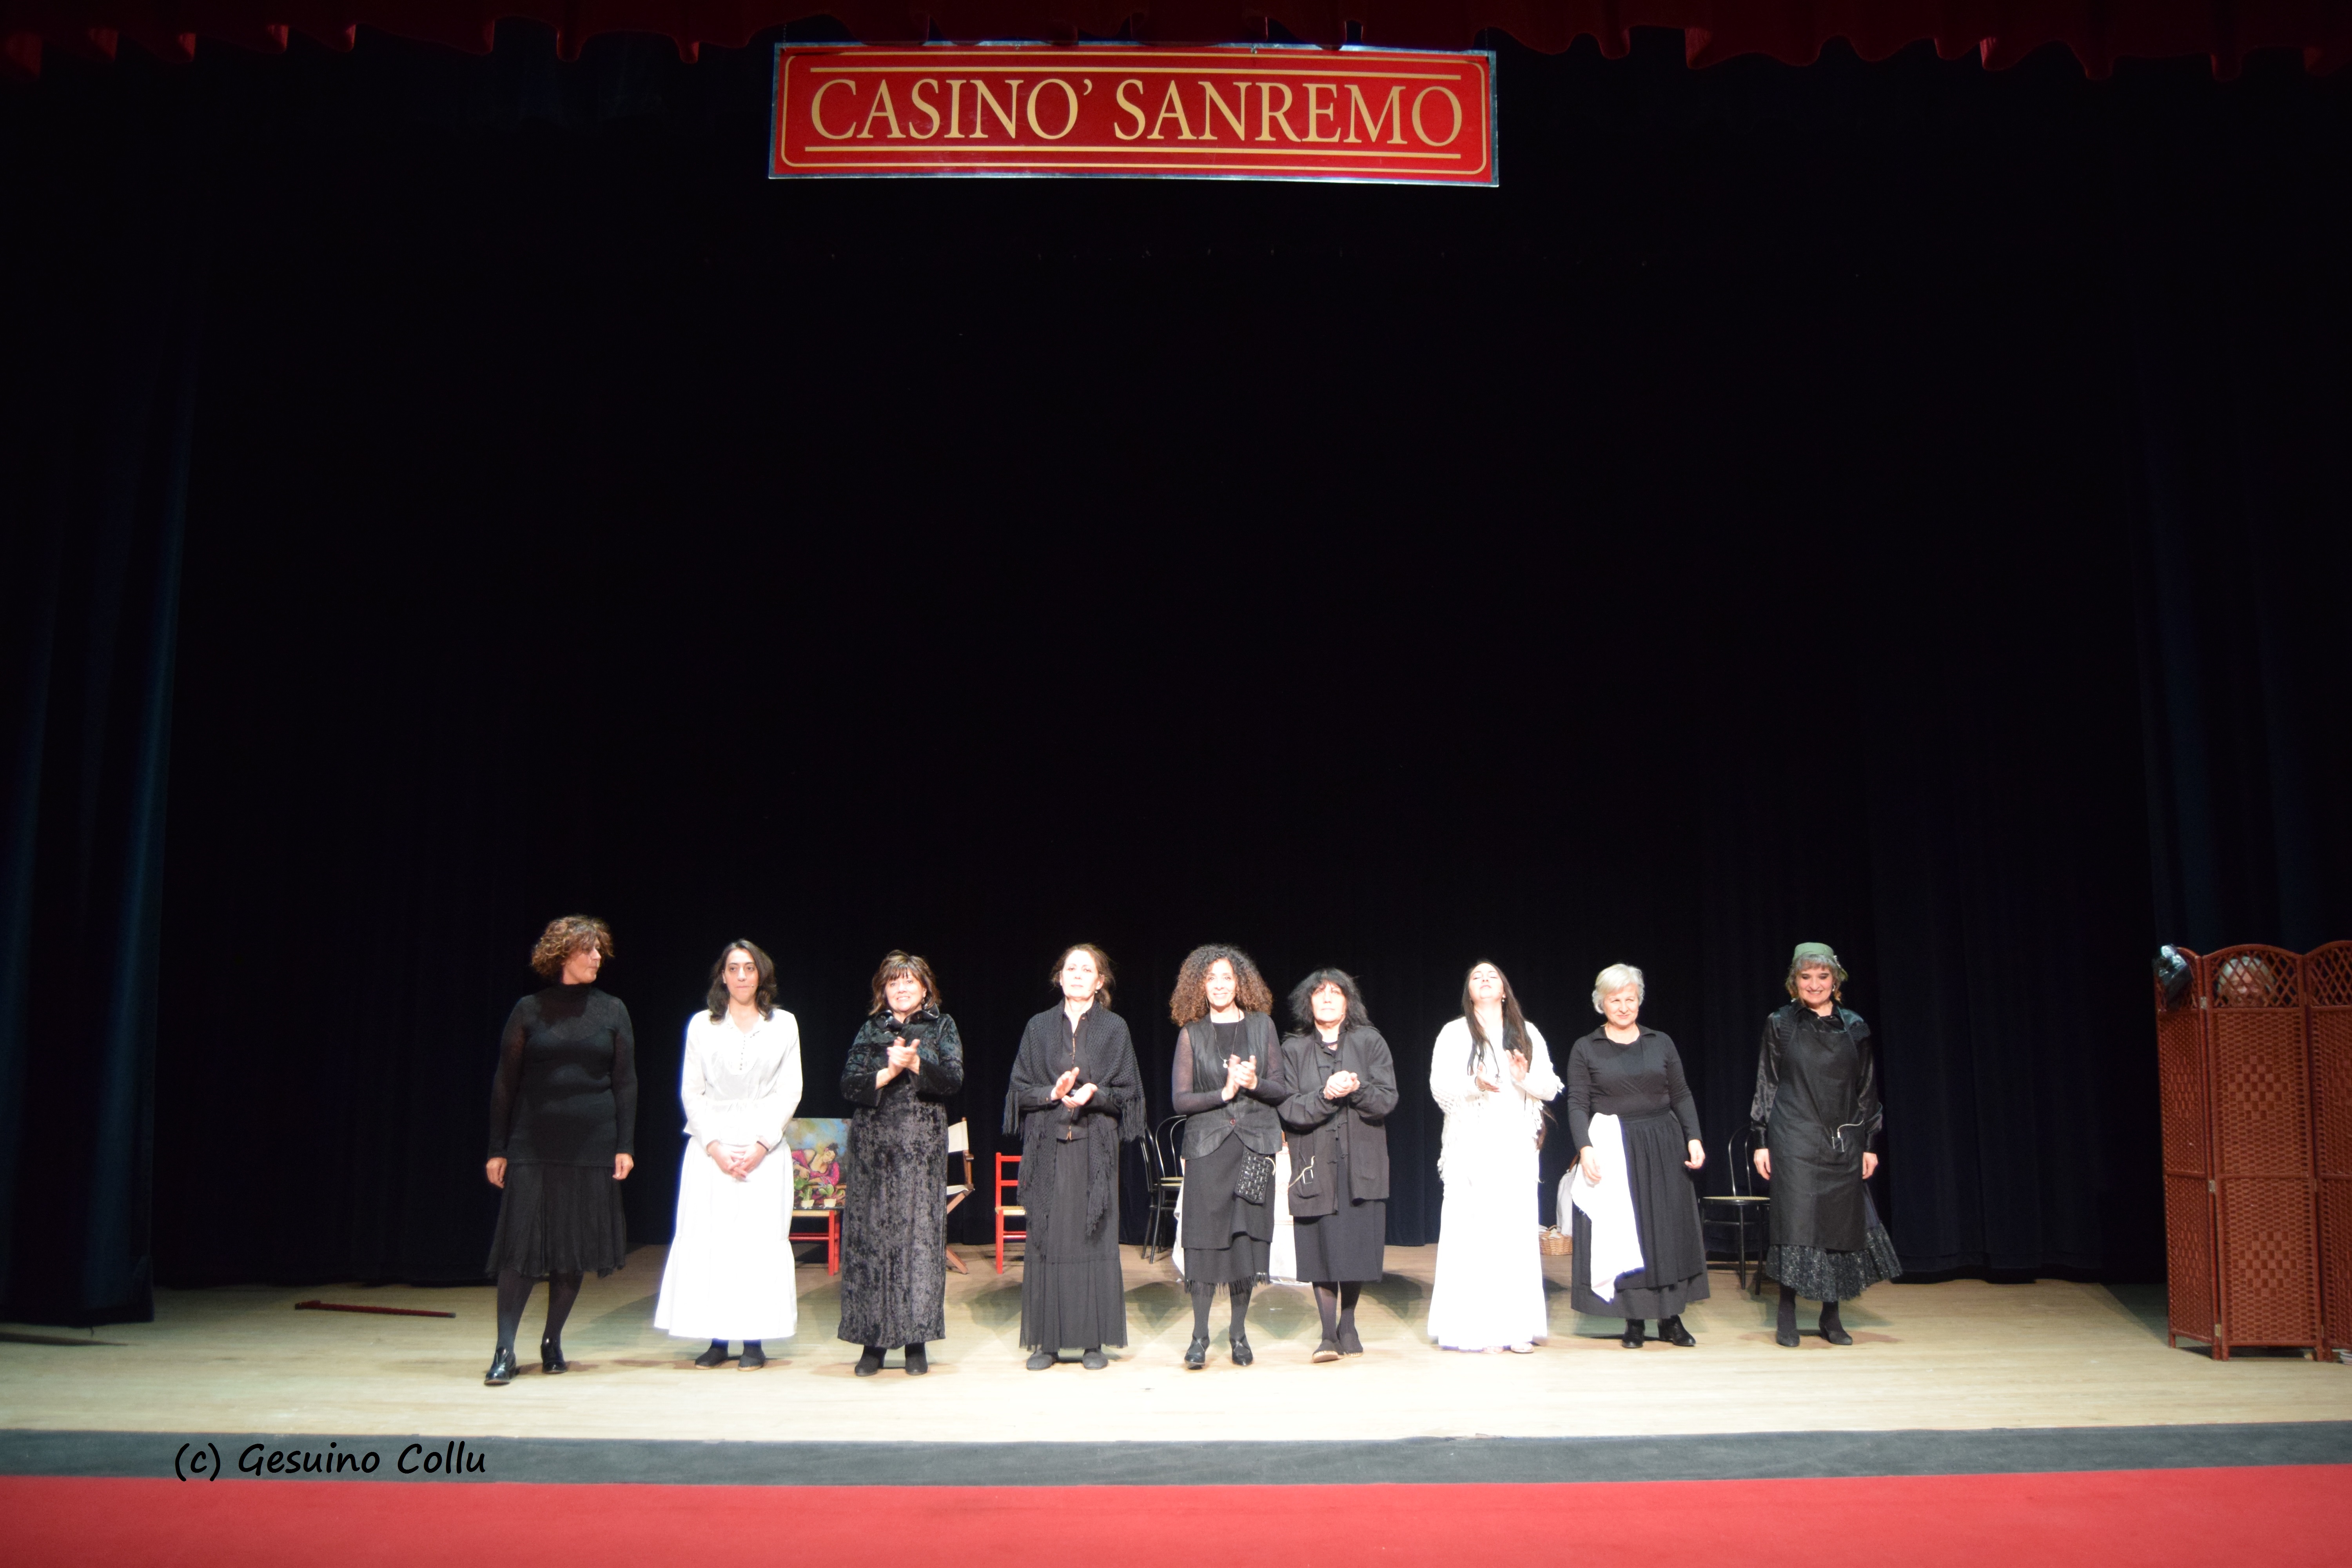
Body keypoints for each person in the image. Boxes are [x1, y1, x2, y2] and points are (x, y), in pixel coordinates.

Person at [482, 915, 637, 1386]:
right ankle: (505, 1349)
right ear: (562, 955)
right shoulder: (529, 1010)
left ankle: (552, 1340)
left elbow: (625, 1082)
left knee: (572, 1249)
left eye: (599, 950)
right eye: (588, 950)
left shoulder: (612, 1010)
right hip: (533, 1141)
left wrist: (625, 1145)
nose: (597, 957)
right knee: (521, 1247)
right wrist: (497, 1148)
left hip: (592, 1144)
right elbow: (505, 1082)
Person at [653, 940, 803, 1370]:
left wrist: (761, 1145)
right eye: (734, 968)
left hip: (763, 1148)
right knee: (713, 1242)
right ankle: (717, 1339)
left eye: (749, 968)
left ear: (761, 975)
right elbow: (691, 1091)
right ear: (723, 975)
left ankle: (754, 1341)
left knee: (756, 1244)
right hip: (711, 1148)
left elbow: (790, 1090)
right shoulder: (702, 1024)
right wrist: (715, 1146)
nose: (741, 976)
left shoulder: (784, 1024)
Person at [1750, 941, 1900, 1348]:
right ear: (1794, 982)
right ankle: (1786, 1312)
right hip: (1793, 1136)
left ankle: (1831, 1316)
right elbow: (1767, 1082)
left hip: (1842, 1138)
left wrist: (1869, 1142)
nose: (1814, 984)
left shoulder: (1854, 1026)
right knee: (1795, 1224)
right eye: (1806, 977)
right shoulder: (1780, 1023)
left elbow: (1867, 1088)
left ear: (1836, 981)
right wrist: (1761, 1138)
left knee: (1838, 1223)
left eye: (1822, 976)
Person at [1002, 943, 1145, 1369]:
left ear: (1100, 982)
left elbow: (1129, 1095)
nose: (1078, 975)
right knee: (1046, 1240)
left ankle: (1092, 1342)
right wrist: (1053, 1092)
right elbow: (1018, 1091)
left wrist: (1093, 1094)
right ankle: (1047, 1343)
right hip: (1047, 1147)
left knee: (1093, 1238)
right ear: (1059, 978)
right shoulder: (1038, 1027)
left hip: (1093, 1149)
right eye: (1071, 969)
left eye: (1087, 970)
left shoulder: (1114, 1028)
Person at [1564, 963, 1709, 1349]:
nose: (1624, 1007)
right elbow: (1577, 1103)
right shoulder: (1586, 1048)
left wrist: (1694, 1137)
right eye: (1615, 1000)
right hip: (1615, 1145)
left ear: (1639, 1001)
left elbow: (1681, 1094)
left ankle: (1671, 1318)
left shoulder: (1661, 1042)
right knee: (1625, 1231)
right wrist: (1585, 1147)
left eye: (1630, 999)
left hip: (1663, 1143)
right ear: (1601, 1003)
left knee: (1664, 1230)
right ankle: (1633, 1320)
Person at [837, 951, 966, 1377]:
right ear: (884, 989)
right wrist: (888, 1072)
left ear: (925, 988)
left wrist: (917, 1064)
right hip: (873, 1147)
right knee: (871, 1241)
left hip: (920, 1146)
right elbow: (849, 1083)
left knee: (919, 1241)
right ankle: (872, 1343)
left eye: (910, 981)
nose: (902, 988)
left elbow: (953, 1079)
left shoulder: (942, 1026)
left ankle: (916, 1342)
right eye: (894, 982)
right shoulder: (871, 1028)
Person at [1426, 960, 1561, 1352]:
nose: (1485, 980)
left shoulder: (1526, 1032)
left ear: (1504, 991)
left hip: (1515, 1149)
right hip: (1469, 1148)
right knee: (1472, 1235)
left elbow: (1550, 1088)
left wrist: (1523, 1077)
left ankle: (1516, 1328)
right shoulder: (1453, 1033)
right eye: (1477, 977)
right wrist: (1476, 1083)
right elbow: (1439, 1089)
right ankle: (1477, 1329)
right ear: (1469, 992)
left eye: (1492, 976)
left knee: (1514, 1235)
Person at [1166, 944, 1287, 1370]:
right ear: (1199, 986)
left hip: (1254, 1145)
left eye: (1227, 978)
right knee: (1202, 1241)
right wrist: (1224, 1093)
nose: (1219, 985)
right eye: (1211, 978)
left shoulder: (1262, 1026)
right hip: (1207, 1149)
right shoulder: (1191, 1033)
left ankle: (1238, 1333)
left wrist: (1253, 1084)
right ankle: (1199, 1335)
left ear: (1240, 983)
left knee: (1245, 1241)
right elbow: (1181, 1100)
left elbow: (1281, 1089)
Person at [1277, 967, 1397, 1362]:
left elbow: (1387, 1100)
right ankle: (1328, 1334)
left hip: (1361, 1160)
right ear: (1308, 1002)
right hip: (1314, 1161)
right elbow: (1289, 1107)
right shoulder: (1293, 1048)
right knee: (1321, 1245)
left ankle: (1348, 1322)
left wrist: (1357, 1089)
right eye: (1319, 993)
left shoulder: (1370, 1041)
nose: (1327, 998)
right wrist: (1326, 1095)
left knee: (1357, 1242)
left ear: (1348, 1001)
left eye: (1336, 992)